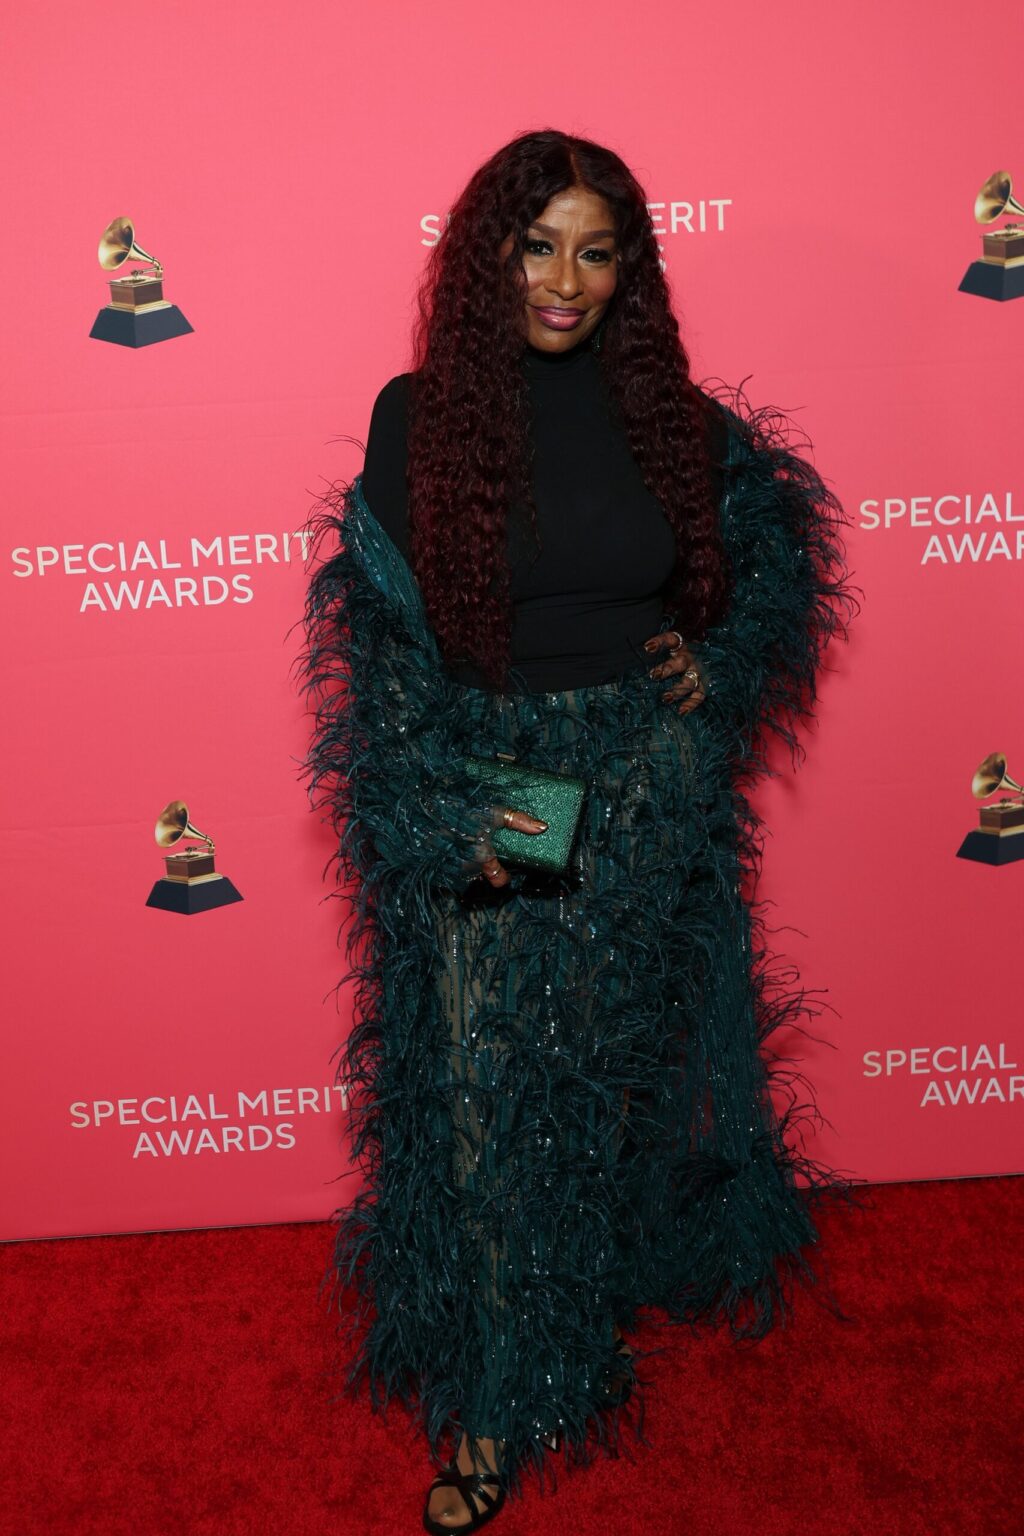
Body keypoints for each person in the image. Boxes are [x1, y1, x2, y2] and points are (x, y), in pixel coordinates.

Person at [298, 128, 862, 1533]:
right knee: (493, 1092)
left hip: (652, 774)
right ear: (488, 255)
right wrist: (440, 805)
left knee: (613, 1072)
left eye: (595, 249)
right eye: (537, 243)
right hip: (518, 780)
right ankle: (504, 1382)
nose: (565, 276)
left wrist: (716, 665)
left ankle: (586, 1310)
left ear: (631, 268)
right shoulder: (418, 415)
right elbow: (384, 645)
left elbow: (772, 555)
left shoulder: (669, 413)